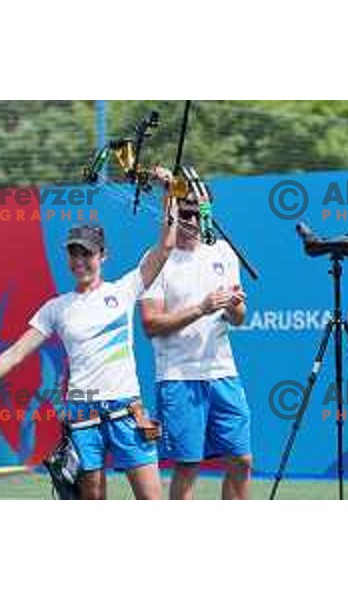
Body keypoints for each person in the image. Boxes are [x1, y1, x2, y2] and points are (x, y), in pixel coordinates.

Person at [0, 185, 177, 499]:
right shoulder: (56, 307)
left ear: (103, 256)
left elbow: (166, 246)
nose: (79, 261)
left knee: (152, 500)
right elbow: (17, 352)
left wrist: (169, 193)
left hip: (126, 411)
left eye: (87, 253)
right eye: (74, 253)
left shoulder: (124, 289)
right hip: (82, 415)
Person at [140, 176, 251, 500]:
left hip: (222, 373)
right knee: (188, 466)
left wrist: (233, 306)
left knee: (242, 460)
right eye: (182, 212)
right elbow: (150, 324)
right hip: (178, 377)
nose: (189, 220)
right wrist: (201, 308)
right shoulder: (156, 260)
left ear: (207, 212)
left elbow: (240, 317)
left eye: (195, 212)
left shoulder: (224, 252)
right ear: (172, 212)